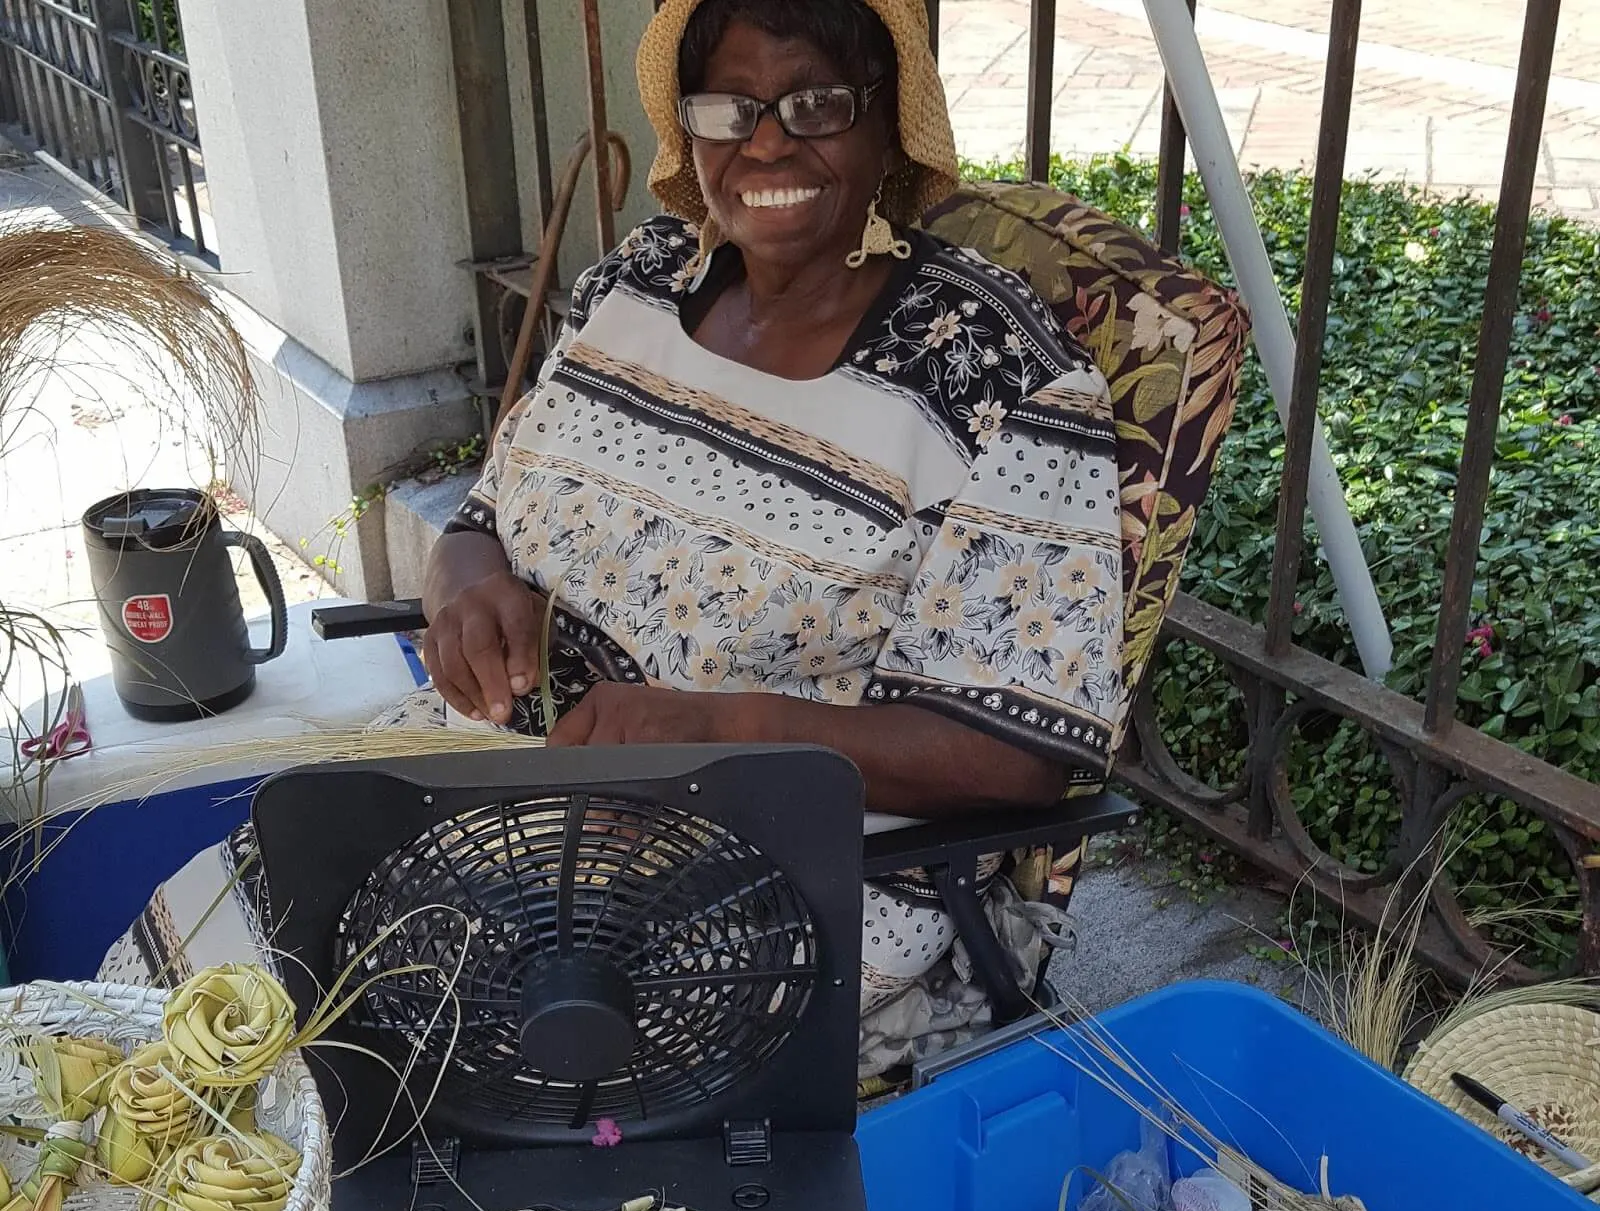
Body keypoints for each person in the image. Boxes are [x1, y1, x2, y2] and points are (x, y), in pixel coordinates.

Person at [101, 0, 1124, 1077]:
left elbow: (1023, 754)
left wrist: (719, 727)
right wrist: (466, 587)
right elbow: (487, 517)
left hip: (761, 862)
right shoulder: (640, 280)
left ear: (886, 131)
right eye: (729, 106)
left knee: (358, 1058)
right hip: (508, 774)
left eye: (816, 102)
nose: (768, 140)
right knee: (204, 959)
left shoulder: (994, 370)